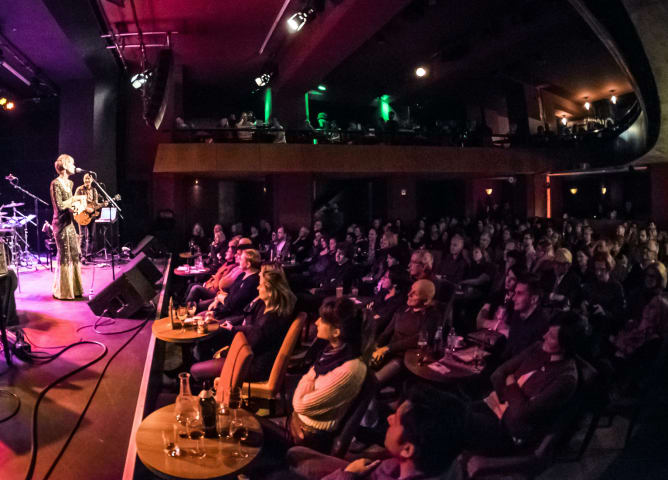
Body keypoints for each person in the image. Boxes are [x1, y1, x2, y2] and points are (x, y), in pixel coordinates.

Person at [465, 311, 584, 454]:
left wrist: (510, 381)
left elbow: (521, 414)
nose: (544, 336)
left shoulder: (566, 378)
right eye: (547, 331)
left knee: (461, 424)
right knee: (454, 410)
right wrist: (511, 398)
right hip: (493, 404)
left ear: (566, 345)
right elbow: (498, 374)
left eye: (551, 336)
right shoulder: (538, 348)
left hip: (509, 429)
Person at [287, 387, 467, 480]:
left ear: (407, 449)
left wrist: (348, 474)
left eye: (396, 420)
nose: (389, 419)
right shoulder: (443, 458)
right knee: (296, 454)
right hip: (374, 470)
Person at [280, 297, 367, 452]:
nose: (316, 322)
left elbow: (301, 404)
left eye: (322, 320)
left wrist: (306, 385)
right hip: (298, 422)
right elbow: (307, 382)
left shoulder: (350, 369)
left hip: (310, 436)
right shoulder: (331, 352)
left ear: (336, 332)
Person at [192, 265, 296, 382]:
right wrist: (225, 325)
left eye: (261, 284)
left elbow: (249, 346)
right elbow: (248, 324)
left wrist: (226, 350)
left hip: (253, 365)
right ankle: (208, 384)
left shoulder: (272, 319)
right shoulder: (266, 304)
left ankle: (204, 391)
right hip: (247, 352)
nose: (257, 288)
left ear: (271, 291)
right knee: (208, 341)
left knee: (195, 369)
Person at [371, 279, 440, 385]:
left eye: (415, 293)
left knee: (375, 380)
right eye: (411, 290)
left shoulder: (431, 316)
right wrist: (376, 346)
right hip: (386, 352)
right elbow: (386, 333)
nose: (409, 294)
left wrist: (387, 348)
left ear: (426, 300)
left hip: (404, 358)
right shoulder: (402, 310)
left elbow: (418, 339)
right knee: (361, 372)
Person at [50, 154, 84, 300]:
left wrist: (78, 206)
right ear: (64, 166)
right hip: (61, 225)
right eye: (72, 163)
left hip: (70, 223)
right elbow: (60, 205)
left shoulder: (69, 184)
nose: (74, 166)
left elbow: (69, 206)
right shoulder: (55, 183)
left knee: (74, 253)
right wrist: (75, 199)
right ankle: (63, 291)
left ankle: (74, 289)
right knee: (65, 255)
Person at [502, 274, 549, 361]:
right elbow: (509, 348)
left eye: (519, 294)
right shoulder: (517, 314)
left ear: (534, 299)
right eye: (515, 293)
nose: (514, 298)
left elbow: (530, 360)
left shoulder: (542, 325)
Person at [209, 248, 261, 320]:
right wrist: (217, 300)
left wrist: (220, 298)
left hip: (237, 317)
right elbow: (230, 294)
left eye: (241, 259)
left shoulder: (253, 281)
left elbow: (233, 304)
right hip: (225, 310)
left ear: (248, 264)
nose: (239, 260)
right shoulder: (242, 275)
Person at [74, 173, 100, 261]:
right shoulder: (79, 189)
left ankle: (89, 255)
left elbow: (95, 204)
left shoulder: (94, 190)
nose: (87, 180)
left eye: (89, 179)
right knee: (82, 236)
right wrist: (86, 208)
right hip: (81, 214)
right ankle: (83, 256)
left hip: (91, 216)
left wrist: (103, 204)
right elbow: (75, 202)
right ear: (83, 180)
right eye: (86, 178)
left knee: (91, 236)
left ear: (92, 180)